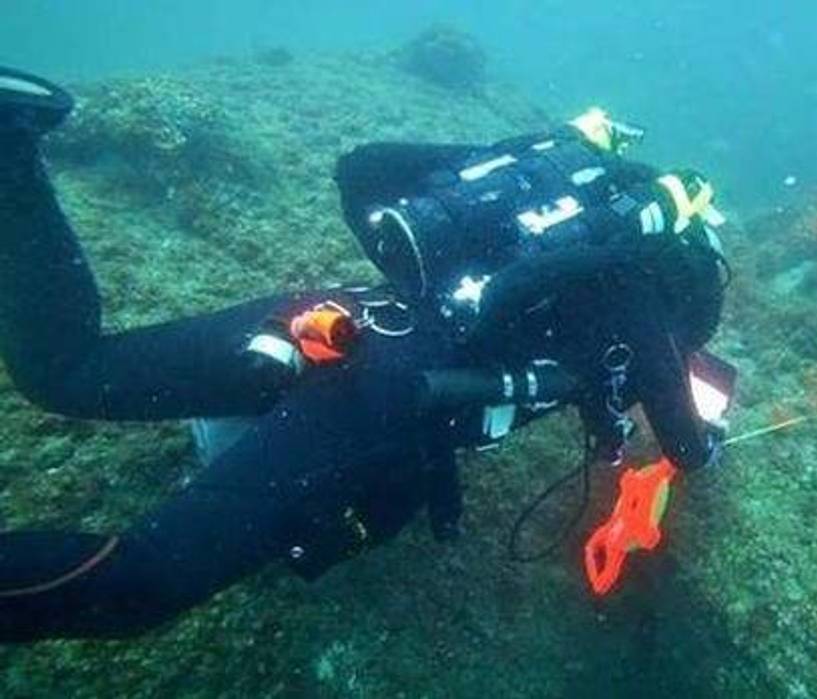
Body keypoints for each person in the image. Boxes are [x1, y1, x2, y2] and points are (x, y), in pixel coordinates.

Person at [0, 68, 730, 641]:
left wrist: (500, 161)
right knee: (140, 586)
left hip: (325, 319)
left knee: (68, 371)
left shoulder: (532, 227)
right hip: (373, 400)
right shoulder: (639, 297)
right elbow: (689, 449)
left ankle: (12, 140)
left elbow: (364, 168)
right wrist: (706, 432)